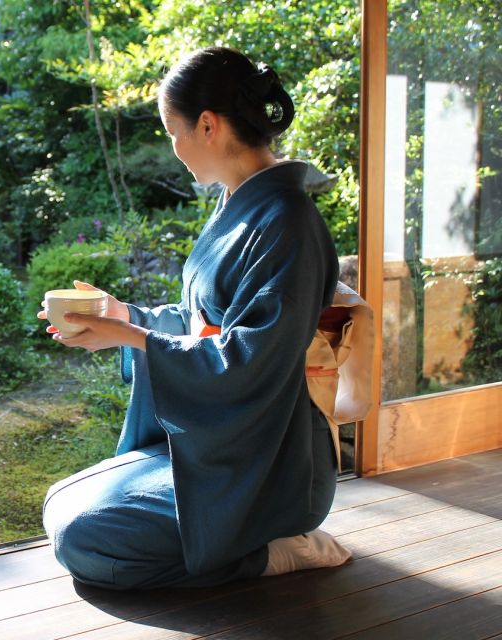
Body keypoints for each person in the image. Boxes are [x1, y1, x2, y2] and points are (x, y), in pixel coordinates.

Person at [38, 47, 352, 590]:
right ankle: (242, 541)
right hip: (228, 442)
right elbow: (197, 320)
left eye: (172, 131)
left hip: (272, 460)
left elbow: (252, 359)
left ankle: (274, 552)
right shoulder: (239, 204)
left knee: (85, 536)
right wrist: (123, 316)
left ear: (208, 125)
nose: (174, 148)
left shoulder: (288, 222)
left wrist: (133, 338)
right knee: (60, 503)